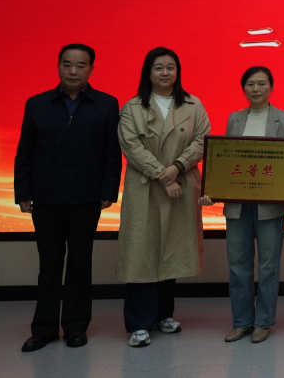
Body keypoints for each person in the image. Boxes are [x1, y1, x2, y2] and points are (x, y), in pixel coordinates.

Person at [14, 44, 121, 352]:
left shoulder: (106, 104)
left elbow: (112, 153)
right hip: (46, 197)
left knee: (79, 264)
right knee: (48, 265)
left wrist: (107, 191)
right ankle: (44, 329)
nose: (73, 71)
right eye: (67, 64)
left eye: (81, 65)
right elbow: (25, 152)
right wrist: (23, 192)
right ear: (58, 66)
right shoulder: (37, 104)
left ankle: (75, 326)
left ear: (91, 69)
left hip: (86, 198)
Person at [198, 66, 284, 343]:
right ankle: (242, 321)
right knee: (238, 264)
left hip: (271, 205)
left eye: (261, 83)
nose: (256, 89)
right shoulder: (235, 118)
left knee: (268, 265)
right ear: (243, 88)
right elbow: (226, 160)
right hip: (237, 204)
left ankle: (263, 321)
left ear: (271, 87)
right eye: (250, 84)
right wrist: (212, 191)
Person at [116, 47, 210, 348]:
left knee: (171, 248)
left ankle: (163, 315)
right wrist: (163, 175)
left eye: (171, 67)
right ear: (148, 72)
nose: (165, 72)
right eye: (158, 67)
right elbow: (131, 146)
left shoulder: (193, 104)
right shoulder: (132, 107)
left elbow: (203, 141)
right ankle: (139, 323)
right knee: (142, 252)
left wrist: (177, 168)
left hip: (181, 183)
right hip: (146, 186)